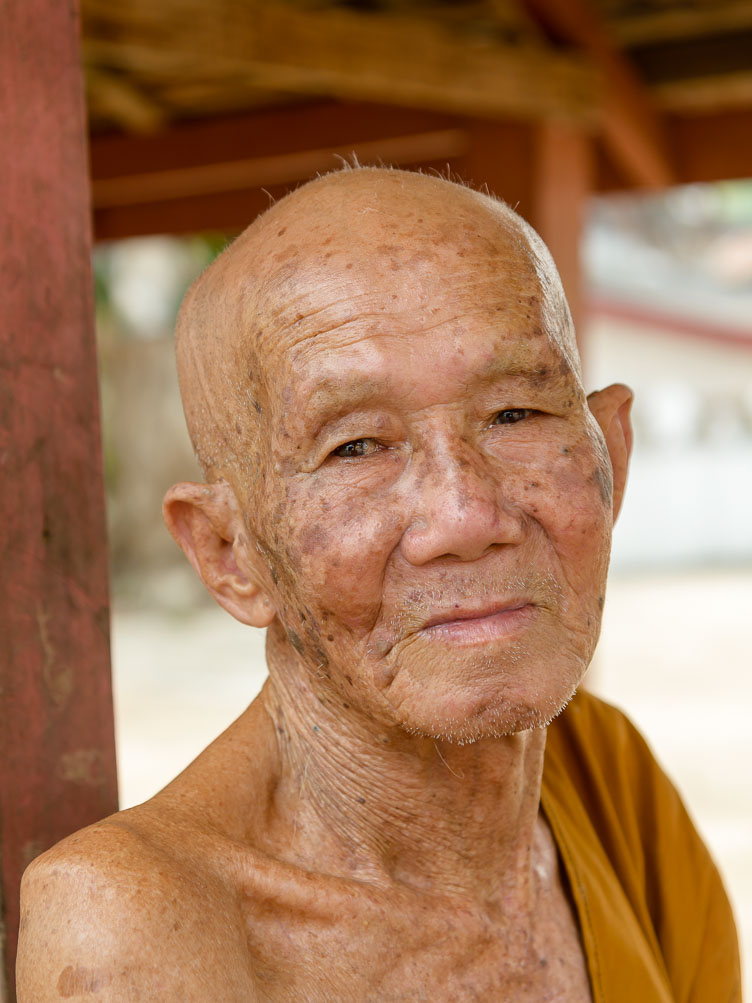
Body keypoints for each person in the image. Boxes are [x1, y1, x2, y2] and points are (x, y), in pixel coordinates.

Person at [17, 168, 740, 1002]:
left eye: (516, 414)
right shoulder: (139, 921)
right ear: (228, 552)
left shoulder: (613, 784)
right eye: (356, 446)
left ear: (611, 453)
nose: (466, 515)